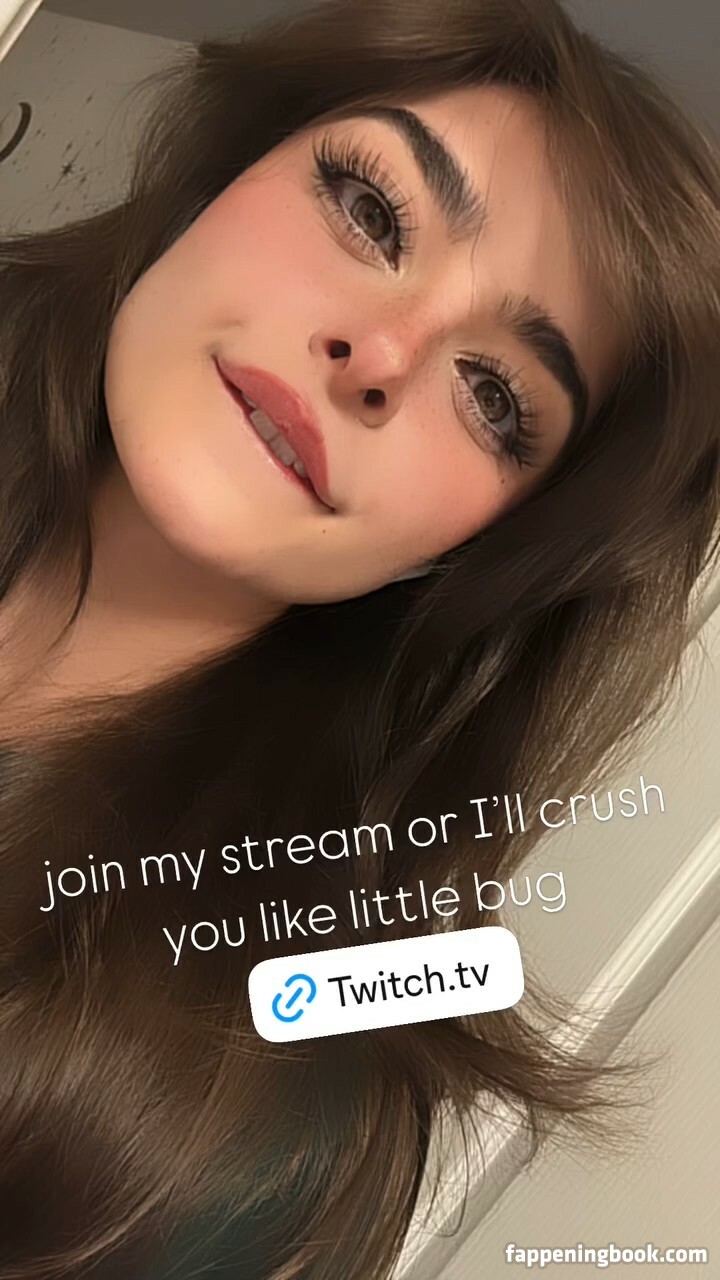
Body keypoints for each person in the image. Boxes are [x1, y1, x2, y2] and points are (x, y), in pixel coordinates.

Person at [0, 0, 718, 1275]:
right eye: (373, 212)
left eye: (494, 394)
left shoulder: (254, 1112)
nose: (379, 352)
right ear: (222, 176)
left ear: (491, 545)